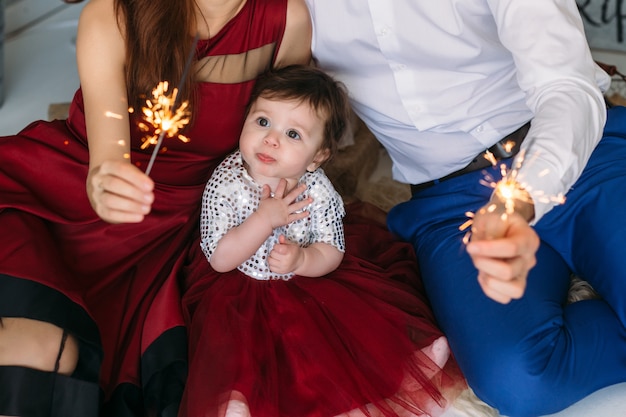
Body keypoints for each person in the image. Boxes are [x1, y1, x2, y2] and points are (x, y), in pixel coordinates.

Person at [305, 1, 626, 417]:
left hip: (583, 158)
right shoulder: (302, 8)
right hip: (447, 204)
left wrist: (518, 199)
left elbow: (566, 85)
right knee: (517, 380)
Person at [0, 0, 311, 415]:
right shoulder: (111, 13)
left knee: (71, 358)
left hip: (181, 229)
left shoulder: (286, 19)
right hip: (63, 193)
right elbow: (108, 158)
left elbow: (286, 142)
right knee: (36, 345)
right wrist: (105, 181)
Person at [177, 64, 481, 417]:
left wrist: (302, 261)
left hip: (305, 281)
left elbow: (332, 249)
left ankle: (400, 362)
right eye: (262, 122)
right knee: (239, 345)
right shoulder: (226, 181)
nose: (272, 139)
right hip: (237, 287)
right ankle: (237, 398)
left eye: (294, 135)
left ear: (317, 158)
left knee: (328, 336)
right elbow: (220, 259)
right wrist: (264, 219)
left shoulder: (317, 189)